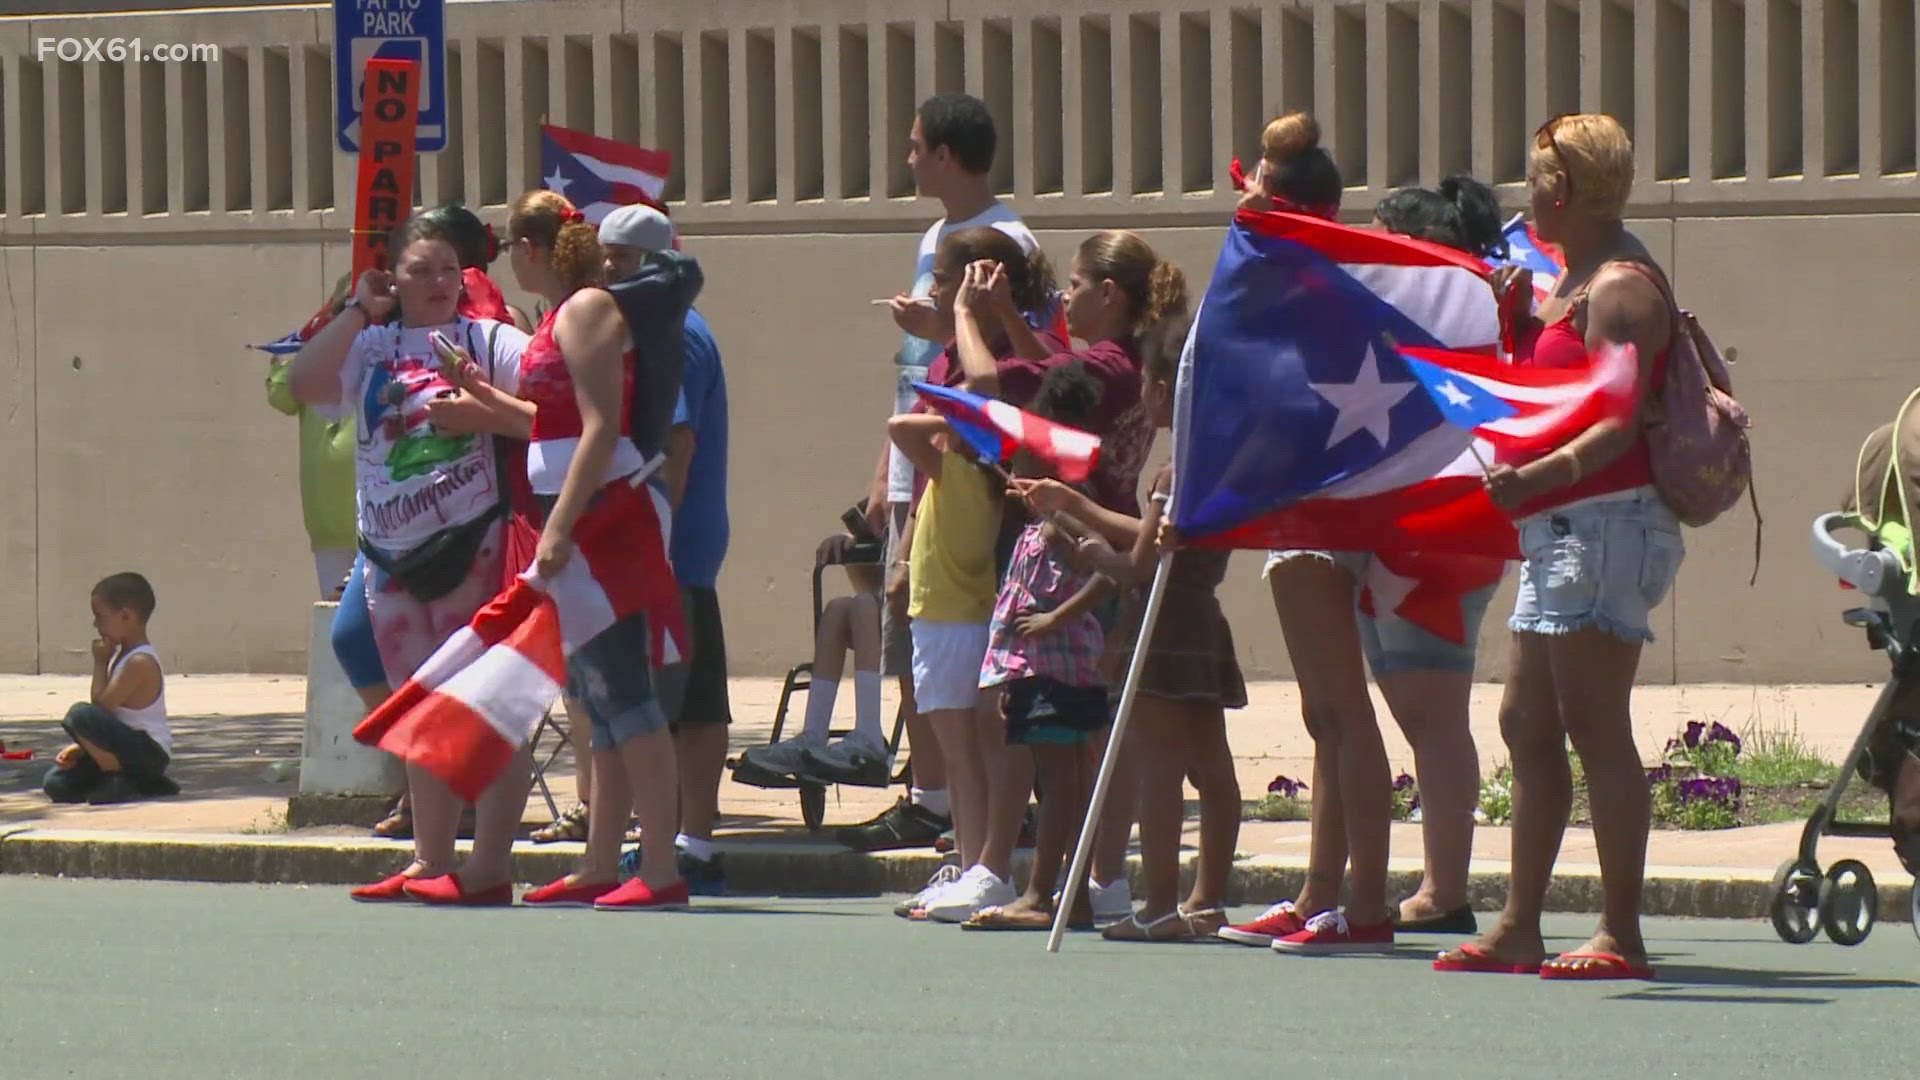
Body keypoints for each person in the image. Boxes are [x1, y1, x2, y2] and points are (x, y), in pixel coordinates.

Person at [1220, 170, 1511, 951]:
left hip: (1440, 531)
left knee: (1428, 711)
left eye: (1384, 233)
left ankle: (1441, 889)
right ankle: (1333, 888)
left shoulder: (1448, 312)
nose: (1368, 246)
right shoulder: (1380, 314)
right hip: (1389, 532)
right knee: (1351, 718)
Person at [1437, 114, 1681, 981]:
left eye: (1536, 181)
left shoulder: (1621, 290)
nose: (1525, 196)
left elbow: (1616, 425)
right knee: (1526, 721)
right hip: (1565, 528)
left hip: (1606, 524)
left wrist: (1535, 482)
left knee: (1594, 727)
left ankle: (1621, 933)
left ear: (1565, 190)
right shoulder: (1571, 281)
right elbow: (1559, 396)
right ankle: (1521, 925)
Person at [291, 212, 536, 905]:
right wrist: (353, 309)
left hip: (475, 553)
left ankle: (489, 865)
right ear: (391, 278)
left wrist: (486, 411)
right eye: (419, 270)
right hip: (392, 560)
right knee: (419, 710)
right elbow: (307, 384)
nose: (435, 283)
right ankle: (431, 863)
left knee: (491, 710)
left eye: (448, 271)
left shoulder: (489, 340)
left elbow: (556, 407)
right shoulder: (369, 347)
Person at [841, 92, 1041, 854]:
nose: (910, 158)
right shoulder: (934, 233)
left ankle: (975, 806)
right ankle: (934, 797)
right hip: (919, 452)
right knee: (910, 622)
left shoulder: (1004, 237)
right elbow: (918, 367)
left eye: (917, 146)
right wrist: (885, 466)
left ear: (948, 156)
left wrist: (941, 325)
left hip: (965, 468)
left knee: (960, 641)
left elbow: (1006, 355)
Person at [1017, 307, 1242, 943]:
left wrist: (1084, 540)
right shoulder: (1217, 461)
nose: (1141, 396)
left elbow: (1140, 560)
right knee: (1212, 765)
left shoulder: (1177, 472)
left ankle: (1162, 905)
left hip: (1165, 626)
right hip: (1201, 618)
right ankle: (1208, 897)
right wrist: (1078, 511)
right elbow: (1154, 543)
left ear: (1165, 389)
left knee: (1159, 767)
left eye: (1147, 383)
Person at [510, 190, 701, 912]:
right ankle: (601, 862)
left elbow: (597, 427)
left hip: (605, 513)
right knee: (597, 694)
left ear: (534, 249)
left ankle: (659, 865)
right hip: (583, 509)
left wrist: (559, 525)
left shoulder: (588, 309)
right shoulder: (568, 314)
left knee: (624, 688)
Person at [600, 202, 735, 896]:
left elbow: (675, 446)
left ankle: (681, 844)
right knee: (694, 697)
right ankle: (694, 840)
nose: (608, 274)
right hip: (689, 544)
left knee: (665, 700)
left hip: (673, 546)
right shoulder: (675, 326)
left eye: (619, 261)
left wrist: (651, 541)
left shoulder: (672, 336)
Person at [960, 363, 1114, 931]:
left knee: (1059, 781)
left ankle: (1041, 894)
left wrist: (1055, 618)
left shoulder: (1060, 519)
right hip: (1042, 670)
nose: (1012, 464)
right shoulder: (1043, 519)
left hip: (1056, 670)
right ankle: (1070, 894)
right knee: (1067, 778)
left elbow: (1107, 572)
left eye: (1022, 454)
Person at [886, 356, 1007, 920]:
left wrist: (953, 407)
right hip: (963, 617)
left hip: (945, 621)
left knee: (961, 757)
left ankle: (975, 866)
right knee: (969, 755)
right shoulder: (983, 477)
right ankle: (972, 864)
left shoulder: (956, 471)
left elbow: (899, 428)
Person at [44, 573, 179, 805]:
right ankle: (145, 783)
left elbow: (100, 708)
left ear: (125, 616)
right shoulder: (122, 656)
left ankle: (118, 778)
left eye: (100, 616)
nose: (95, 624)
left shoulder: (139, 662)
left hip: (148, 752)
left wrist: (99, 663)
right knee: (55, 783)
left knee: (79, 714)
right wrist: (83, 747)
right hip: (126, 749)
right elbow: (108, 719)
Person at [264, 272, 359, 601]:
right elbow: (280, 395)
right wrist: (313, 335)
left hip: (379, 520)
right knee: (336, 616)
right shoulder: (314, 355)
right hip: (328, 523)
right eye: (347, 305)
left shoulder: (386, 348)